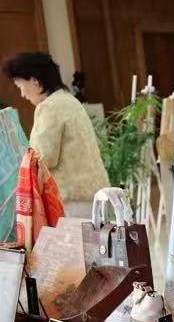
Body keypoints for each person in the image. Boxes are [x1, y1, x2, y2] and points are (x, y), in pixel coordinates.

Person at [2, 52, 108, 210]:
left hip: (70, 200)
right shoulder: (69, 100)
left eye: (20, 87)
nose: (23, 95)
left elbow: (42, 158)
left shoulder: (49, 107)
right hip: (94, 194)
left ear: (35, 81)